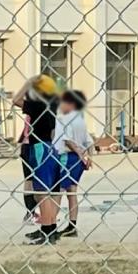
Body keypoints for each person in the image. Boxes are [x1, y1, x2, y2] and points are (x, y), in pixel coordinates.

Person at [15, 75, 60, 218]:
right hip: (47, 145)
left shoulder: (37, 105)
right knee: (47, 187)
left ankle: (43, 222)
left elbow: (16, 100)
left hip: (38, 146)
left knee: (40, 189)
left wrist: (28, 83)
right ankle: (48, 223)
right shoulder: (53, 103)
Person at [52, 90, 93, 237]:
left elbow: (67, 140)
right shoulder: (80, 119)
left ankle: (50, 225)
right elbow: (89, 141)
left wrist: (79, 154)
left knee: (58, 191)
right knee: (72, 192)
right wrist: (88, 158)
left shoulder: (63, 118)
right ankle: (72, 224)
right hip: (78, 160)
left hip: (67, 157)